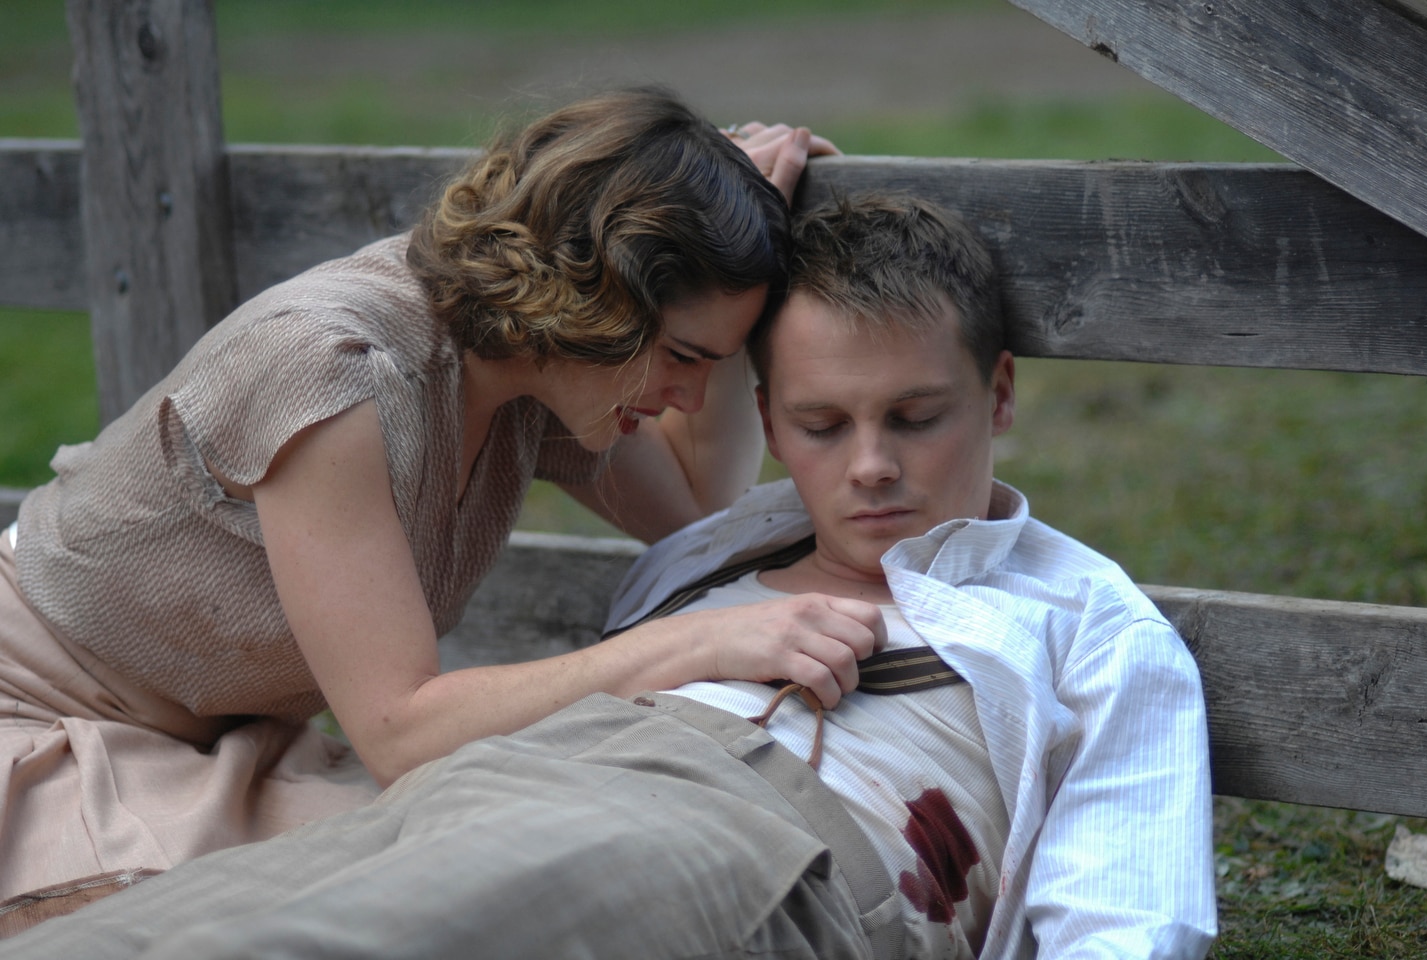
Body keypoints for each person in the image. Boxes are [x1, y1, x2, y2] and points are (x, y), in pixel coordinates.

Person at [1, 193, 1216, 959]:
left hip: (759, 837)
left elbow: (1127, 911)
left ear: (999, 395)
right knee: (163, 929)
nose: (870, 469)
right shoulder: (703, 560)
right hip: (510, 784)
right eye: (821, 425)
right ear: (771, 422)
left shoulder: (1086, 620)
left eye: (917, 417)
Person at [0, 87, 855, 935]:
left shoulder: (533, 371)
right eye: (681, 355)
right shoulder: (334, 370)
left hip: (213, 751)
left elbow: (701, 505)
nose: (692, 396)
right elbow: (400, 732)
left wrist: (750, 252)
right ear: (599, 299)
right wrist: (690, 642)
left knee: (498, 873)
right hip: (39, 737)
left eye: (717, 362)